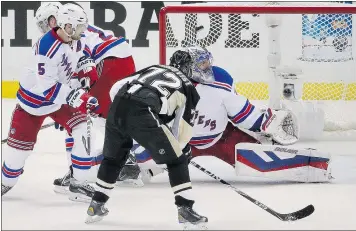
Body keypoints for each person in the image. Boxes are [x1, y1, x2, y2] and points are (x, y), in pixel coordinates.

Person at [130, 47, 332, 184]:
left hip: (219, 138)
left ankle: (313, 165)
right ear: (186, 67)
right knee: (136, 153)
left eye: (206, 63)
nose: (207, 68)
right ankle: (123, 166)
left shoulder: (217, 81)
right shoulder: (174, 86)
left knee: (259, 154)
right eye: (201, 65)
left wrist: (262, 122)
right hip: (189, 141)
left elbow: (242, 114)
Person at [85, 51, 208, 230]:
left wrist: (123, 115)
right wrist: (177, 150)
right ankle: (186, 211)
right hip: (143, 111)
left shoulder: (154, 67)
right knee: (177, 160)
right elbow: (182, 131)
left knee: (113, 158)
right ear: (189, 68)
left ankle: (95, 206)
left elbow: (117, 86)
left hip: (118, 104)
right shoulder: (189, 86)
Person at [34, 2, 139, 195]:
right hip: (121, 59)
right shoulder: (73, 28)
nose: (46, 30)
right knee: (102, 115)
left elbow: (77, 70)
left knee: (77, 116)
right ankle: (127, 159)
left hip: (108, 62)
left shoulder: (69, 32)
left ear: (55, 19)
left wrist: (64, 104)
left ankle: (75, 173)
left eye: (46, 24)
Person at [1, 4, 101, 200]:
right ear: (65, 26)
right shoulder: (46, 48)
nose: (82, 32)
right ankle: (5, 180)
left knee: (83, 126)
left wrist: (86, 69)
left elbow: (82, 54)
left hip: (59, 101)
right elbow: (48, 89)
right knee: (13, 165)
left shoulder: (72, 37)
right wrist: (79, 98)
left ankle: (78, 183)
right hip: (33, 105)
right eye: (78, 28)